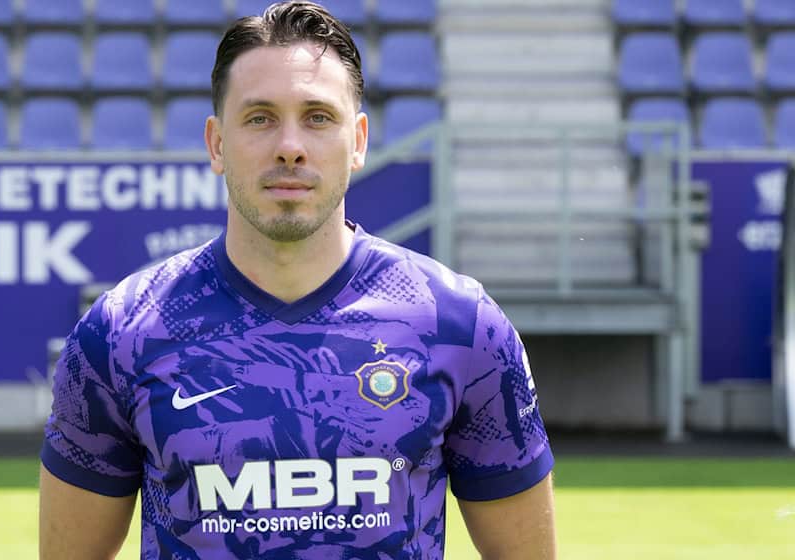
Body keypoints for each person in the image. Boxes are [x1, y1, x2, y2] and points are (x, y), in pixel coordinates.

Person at [38, 2, 556, 558]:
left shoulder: (459, 325)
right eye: (260, 118)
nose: (290, 146)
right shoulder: (120, 333)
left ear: (358, 141)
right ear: (216, 143)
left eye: (318, 117)